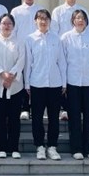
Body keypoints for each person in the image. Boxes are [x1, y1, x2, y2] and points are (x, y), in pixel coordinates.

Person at [24, 9, 66, 161]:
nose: (43, 21)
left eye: (46, 19)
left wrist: (64, 82)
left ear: (49, 21)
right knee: (37, 117)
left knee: (54, 117)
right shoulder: (30, 39)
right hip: (37, 83)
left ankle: (52, 146)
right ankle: (40, 146)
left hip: (55, 83)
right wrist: (27, 83)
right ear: (35, 21)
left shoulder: (56, 39)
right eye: (40, 19)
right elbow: (28, 63)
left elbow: (61, 62)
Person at [61, 9, 89, 160]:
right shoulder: (66, 37)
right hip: (72, 82)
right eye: (77, 18)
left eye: (83, 18)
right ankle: (76, 148)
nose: (80, 20)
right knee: (74, 116)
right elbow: (63, 62)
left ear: (86, 21)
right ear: (73, 20)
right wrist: (63, 83)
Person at [0, 13, 25, 159]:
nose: (6, 26)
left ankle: (14, 148)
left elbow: (21, 60)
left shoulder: (19, 41)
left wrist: (11, 76)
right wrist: (3, 74)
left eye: (9, 23)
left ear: (13, 26)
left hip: (15, 86)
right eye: (4, 23)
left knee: (14, 118)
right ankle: (0, 148)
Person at [51, 0, 89, 121]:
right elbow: (54, 31)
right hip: (62, 47)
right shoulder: (58, 11)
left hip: (79, 49)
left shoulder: (82, 10)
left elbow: (88, 30)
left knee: (75, 79)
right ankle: (64, 109)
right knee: (63, 77)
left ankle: (78, 109)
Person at [10, 0, 43, 120]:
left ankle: (35, 107)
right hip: (21, 48)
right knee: (22, 78)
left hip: (37, 49)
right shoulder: (16, 11)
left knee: (35, 77)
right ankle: (24, 108)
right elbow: (13, 31)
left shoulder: (41, 10)